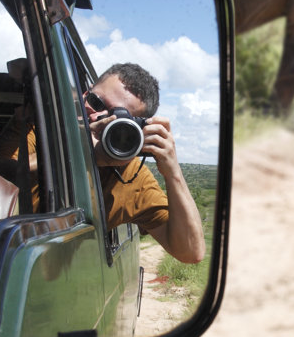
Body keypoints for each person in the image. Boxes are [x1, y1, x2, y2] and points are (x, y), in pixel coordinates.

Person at [84, 62, 206, 265]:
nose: (98, 117)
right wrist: (84, 148)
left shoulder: (132, 178)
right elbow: (12, 174)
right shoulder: (42, 127)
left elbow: (190, 252)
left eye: (118, 123)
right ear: (83, 94)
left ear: (139, 132)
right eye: (96, 102)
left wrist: (172, 171)